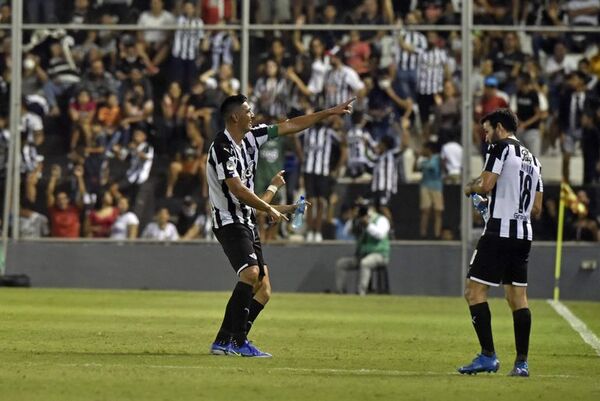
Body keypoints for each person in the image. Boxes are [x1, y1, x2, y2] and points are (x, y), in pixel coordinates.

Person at [208, 94, 354, 357]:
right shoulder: (222, 147)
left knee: (264, 289)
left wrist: (329, 112)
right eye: (248, 111)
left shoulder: (253, 137)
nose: (253, 115)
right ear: (234, 117)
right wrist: (270, 206)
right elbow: (237, 190)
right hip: (228, 221)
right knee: (251, 274)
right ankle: (238, 343)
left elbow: (292, 125)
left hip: (247, 220)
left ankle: (224, 339)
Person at [459, 109, 543, 377]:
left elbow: (486, 184)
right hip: (523, 235)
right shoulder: (534, 160)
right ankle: (521, 363)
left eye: (486, 130)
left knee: (474, 292)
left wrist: (470, 188)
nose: (485, 137)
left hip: (498, 233)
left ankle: (487, 356)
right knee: (518, 297)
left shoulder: (501, 148)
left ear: (499, 127)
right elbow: (537, 208)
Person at [335, 199, 390, 295]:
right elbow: (347, 232)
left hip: (379, 254)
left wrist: (368, 224)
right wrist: (354, 219)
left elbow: (380, 234)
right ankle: (341, 291)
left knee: (365, 263)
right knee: (341, 264)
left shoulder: (381, 220)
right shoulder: (358, 220)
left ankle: (361, 292)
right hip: (362, 255)